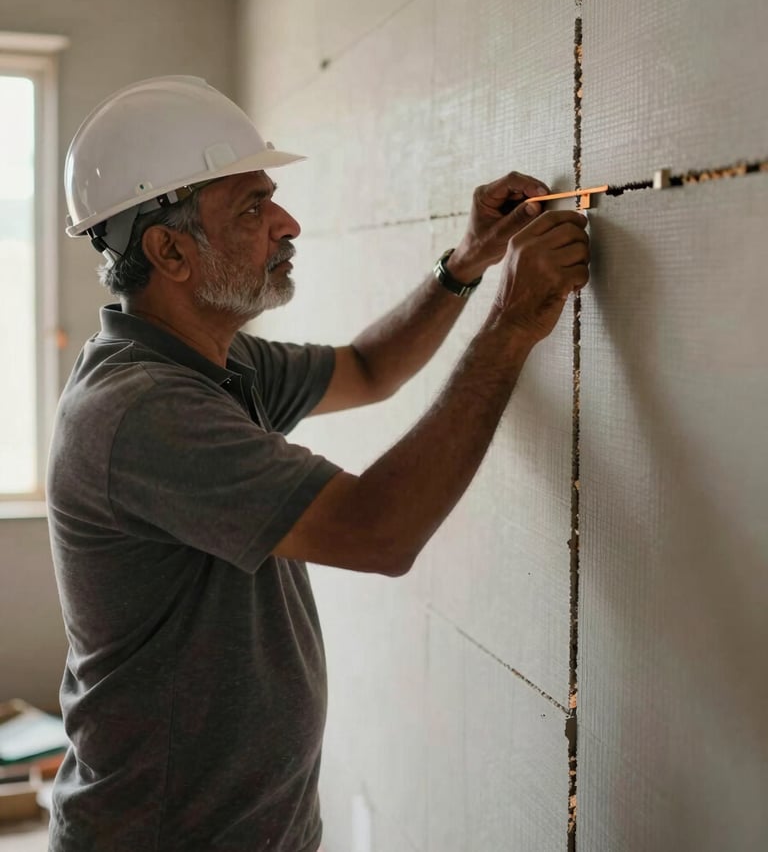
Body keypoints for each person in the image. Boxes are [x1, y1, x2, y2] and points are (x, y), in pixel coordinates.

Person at [46, 76, 589, 852]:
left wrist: (466, 263)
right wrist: (511, 324)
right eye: (251, 207)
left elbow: (370, 367)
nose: (287, 223)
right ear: (168, 251)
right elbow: (380, 532)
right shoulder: (143, 412)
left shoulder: (213, 364)